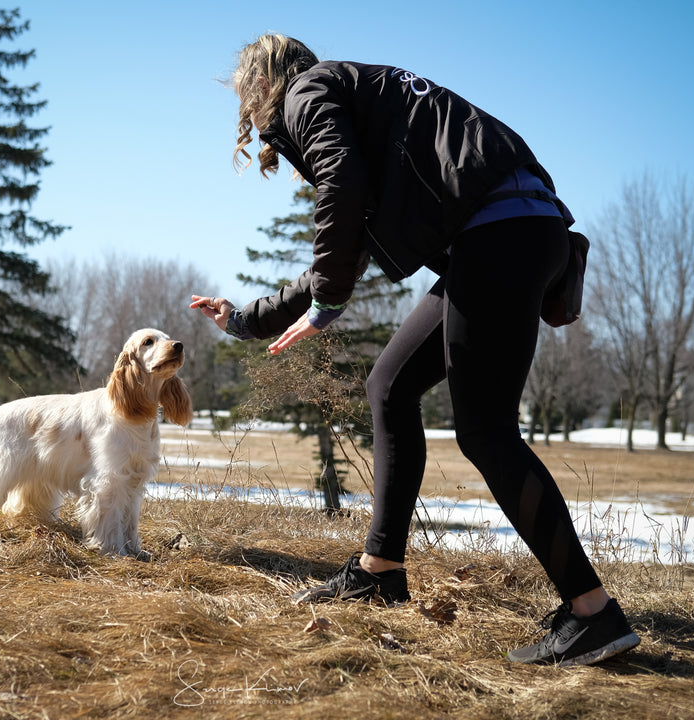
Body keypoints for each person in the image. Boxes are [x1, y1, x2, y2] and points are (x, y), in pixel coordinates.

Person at [190, 34, 640, 667]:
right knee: (390, 386)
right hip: (507, 232)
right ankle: (380, 570)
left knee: (486, 434)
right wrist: (245, 318)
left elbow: (338, 188)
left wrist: (328, 302)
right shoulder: (360, 104)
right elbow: (348, 236)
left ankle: (594, 613)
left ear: (262, 85)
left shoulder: (308, 92)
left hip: (500, 233)